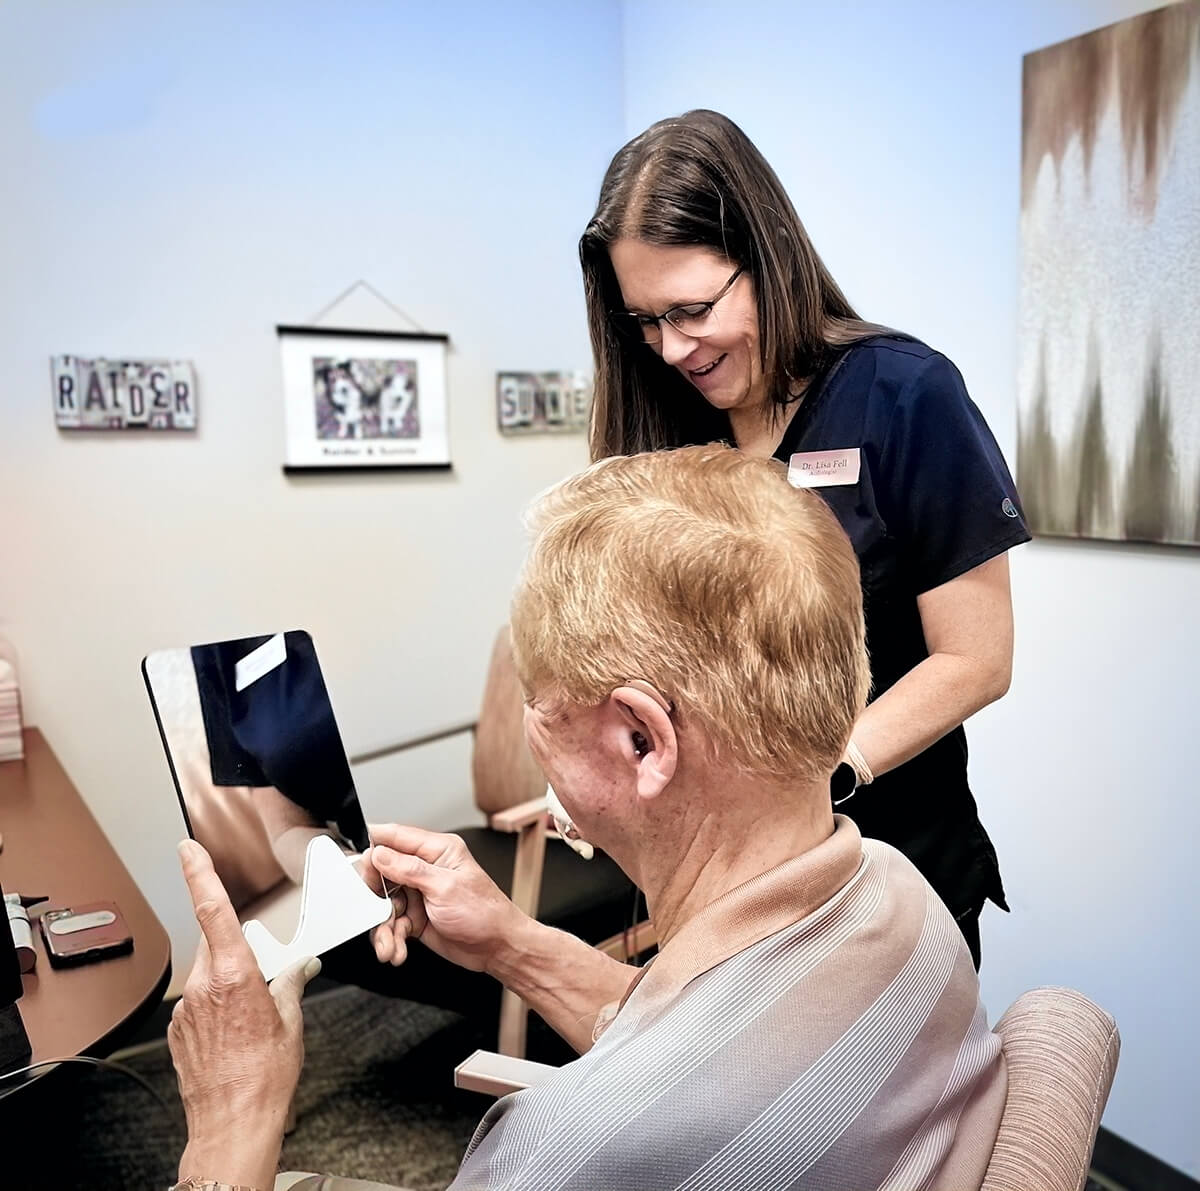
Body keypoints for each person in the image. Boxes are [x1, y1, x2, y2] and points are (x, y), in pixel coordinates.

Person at [167, 445, 1006, 1191]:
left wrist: (230, 1123)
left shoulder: (574, 1149)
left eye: (537, 703)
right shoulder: (904, 900)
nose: (531, 728)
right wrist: (508, 941)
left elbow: (655, 1095)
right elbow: (697, 1032)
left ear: (643, 740)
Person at [579, 109, 1031, 965]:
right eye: (644, 320)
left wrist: (823, 776)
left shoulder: (904, 396)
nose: (672, 348)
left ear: (767, 251)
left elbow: (978, 658)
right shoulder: (665, 422)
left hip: (888, 874)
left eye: (692, 309)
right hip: (719, 887)